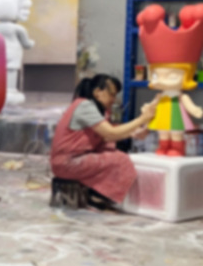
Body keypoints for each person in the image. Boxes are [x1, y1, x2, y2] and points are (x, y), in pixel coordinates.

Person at [50, 74, 158, 207]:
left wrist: (134, 133)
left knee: (113, 152)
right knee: (120, 160)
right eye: (112, 94)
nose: (114, 100)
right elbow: (110, 133)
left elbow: (107, 135)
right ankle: (97, 196)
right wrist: (142, 119)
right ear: (97, 92)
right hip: (68, 162)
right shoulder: (85, 106)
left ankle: (97, 194)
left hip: (75, 159)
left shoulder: (99, 109)